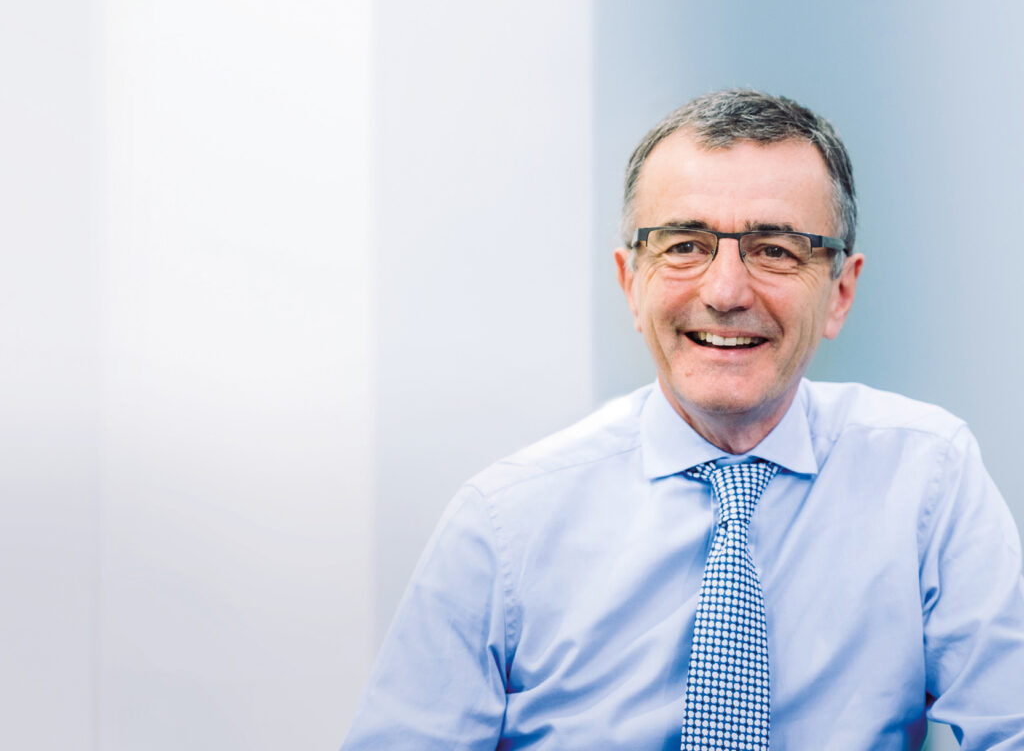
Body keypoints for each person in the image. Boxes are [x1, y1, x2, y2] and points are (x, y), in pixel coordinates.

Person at [341, 90, 1024, 750]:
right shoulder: (502, 523)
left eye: (776, 249)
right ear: (630, 283)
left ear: (840, 292)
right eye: (684, 245)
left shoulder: (928, 479)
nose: (725, 292)